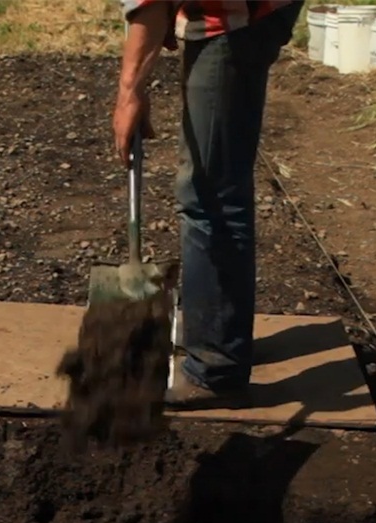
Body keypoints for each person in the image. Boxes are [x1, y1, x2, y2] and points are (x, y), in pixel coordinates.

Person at [113, 0, 303, 408]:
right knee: (216, 177)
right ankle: (217, 331)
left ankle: (216, 368)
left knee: (210, 190)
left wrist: (131, 91)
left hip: (234, 17)